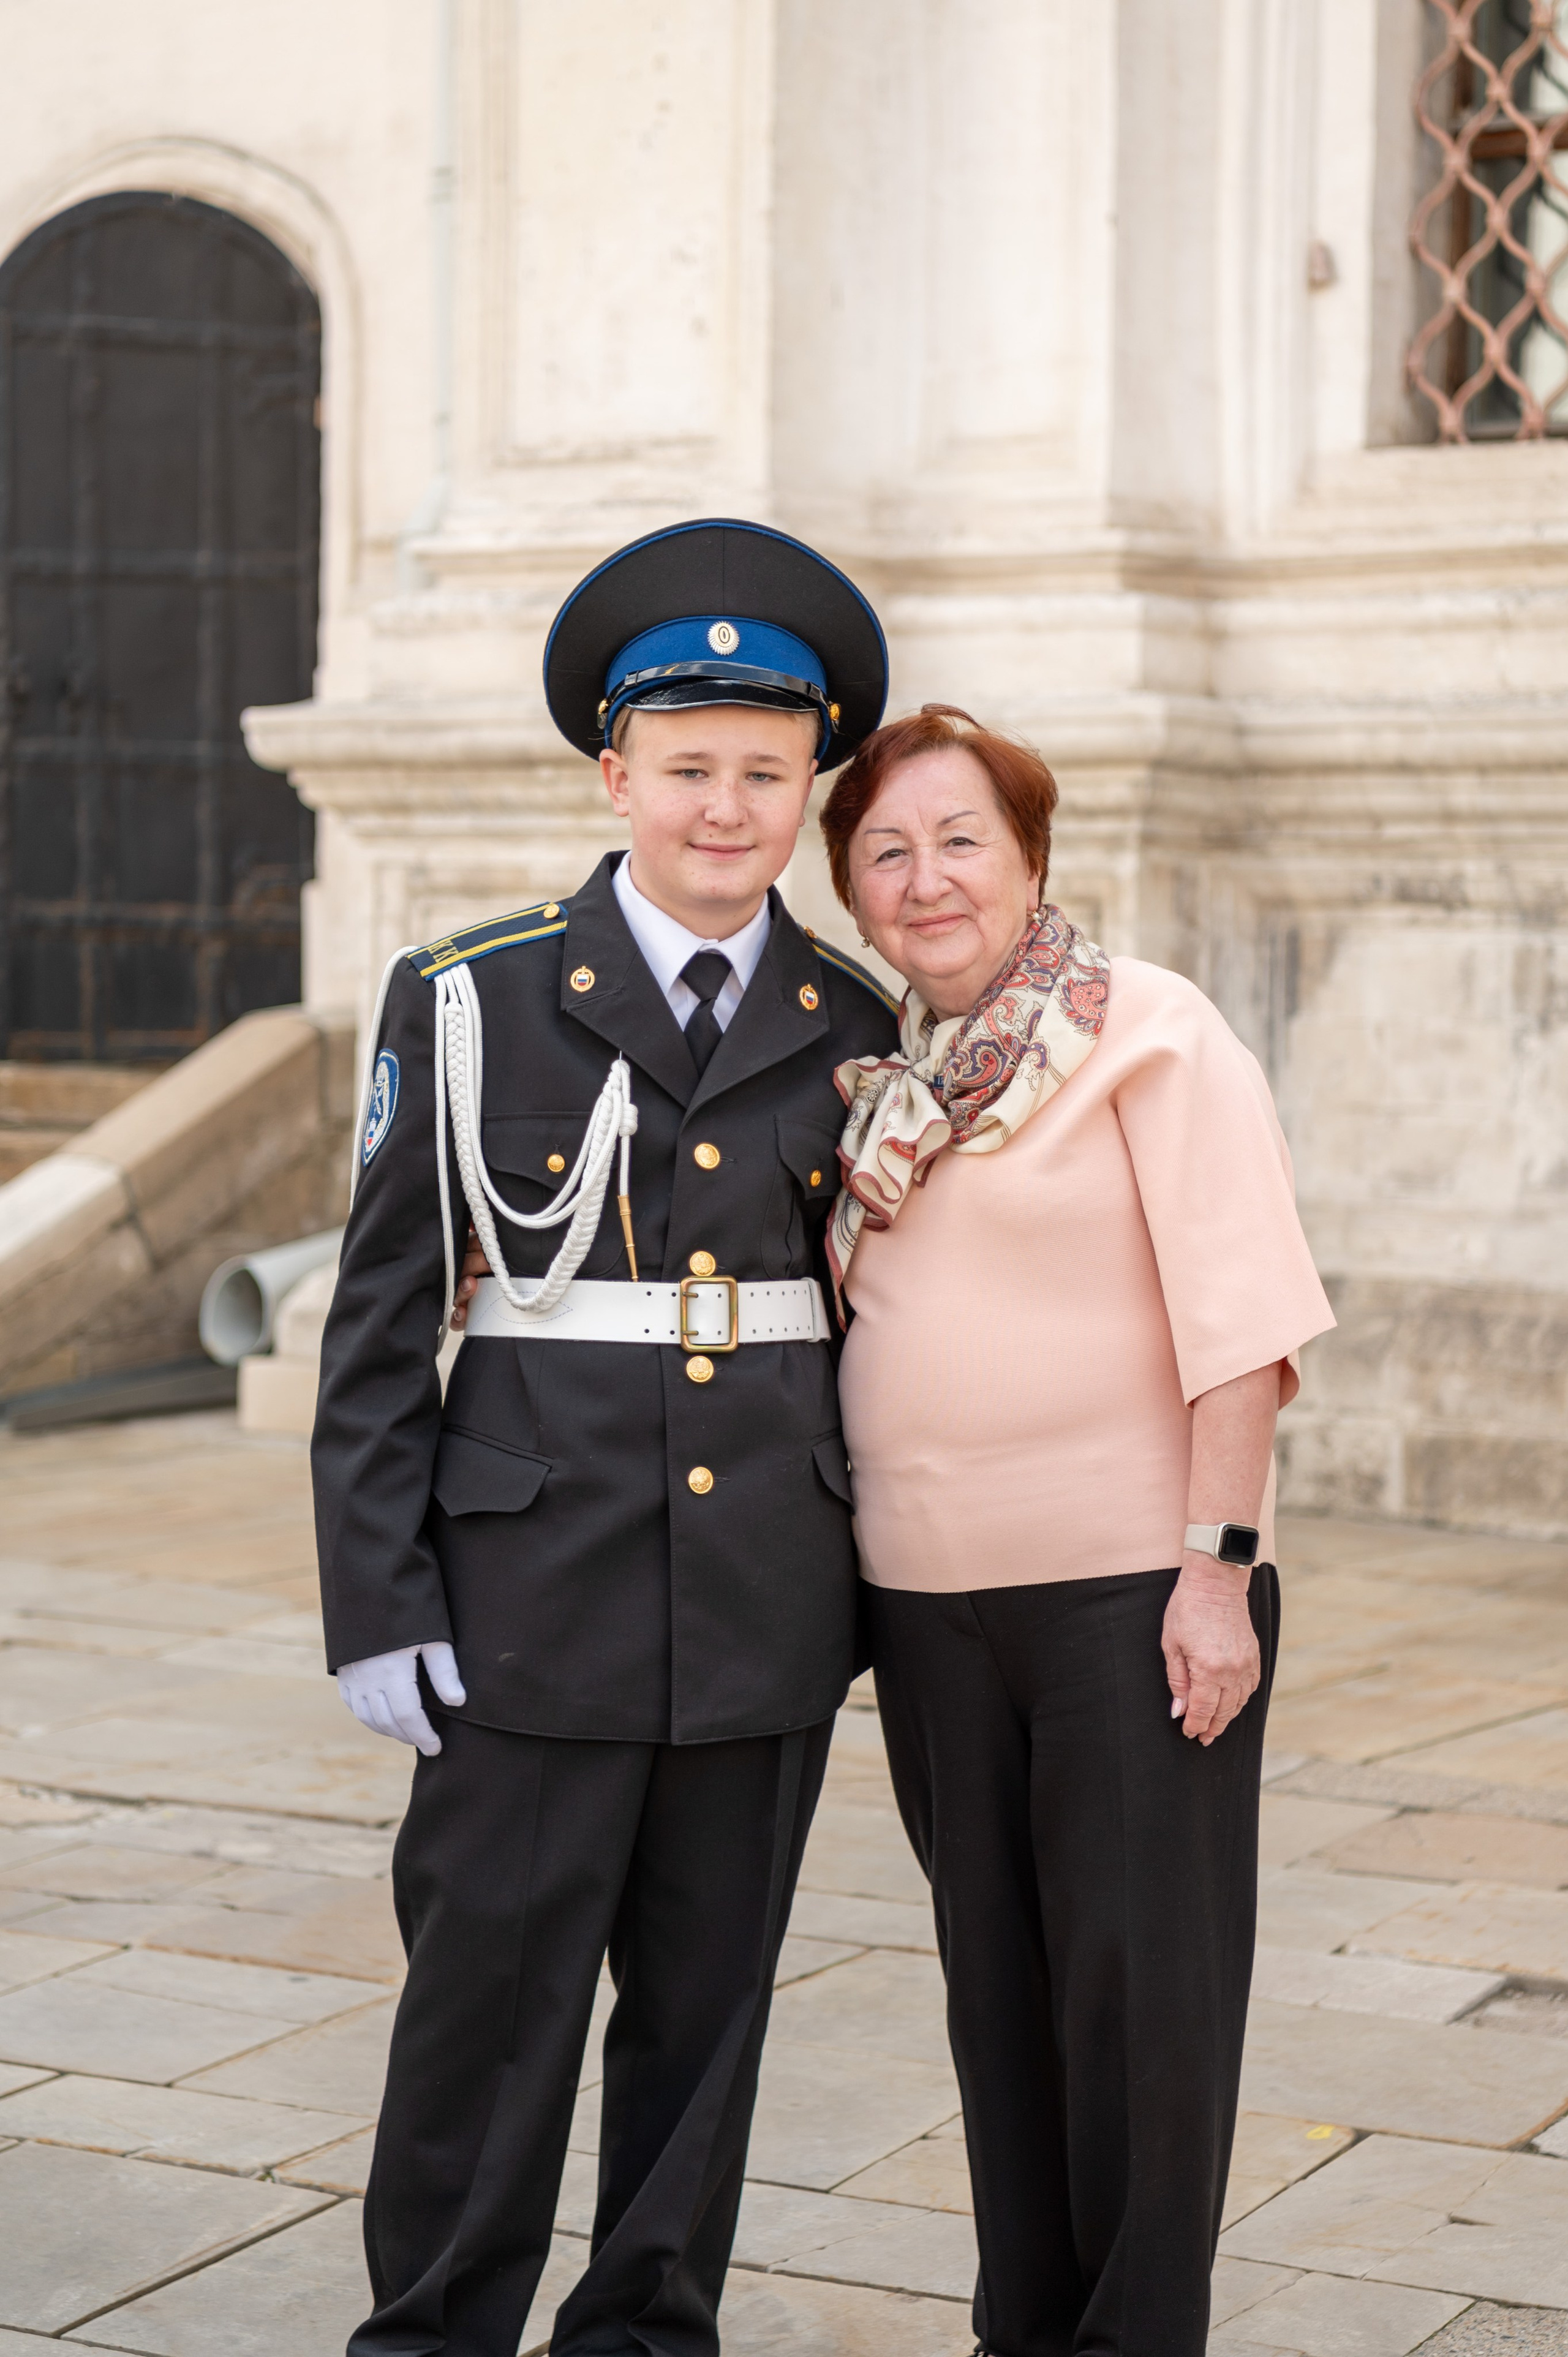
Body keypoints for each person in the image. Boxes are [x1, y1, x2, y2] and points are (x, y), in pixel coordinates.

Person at [311, 518, 899, 2357]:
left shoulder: (856, 1024)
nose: (726, 809)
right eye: (689, 769)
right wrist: (378, 1594)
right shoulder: (472, 995)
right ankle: (434, 2332)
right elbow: (383, 1321)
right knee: (489, 2013)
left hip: (762, 1606)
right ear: (613, 770)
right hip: (525, 1590)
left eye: (767, 774)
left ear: (811, 788)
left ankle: (648, 2333)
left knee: (704, 2024)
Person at [817, 704, 1335, 2357]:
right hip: (927, 1609)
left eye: (962, 836)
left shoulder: (1148, 1035)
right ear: (852, 892)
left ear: (1031, 854)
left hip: (1128, 1597)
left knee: (1141, 2016)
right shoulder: (878, 1087)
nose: (927, 878)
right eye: (887, 852)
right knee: (1003, 2001)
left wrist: (1217, 1573)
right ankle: (1023, 2331)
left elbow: (1243, 1321)